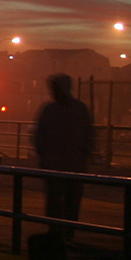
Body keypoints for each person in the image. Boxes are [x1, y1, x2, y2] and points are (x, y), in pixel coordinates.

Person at [33, 73, 95, 235]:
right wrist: (85, 153)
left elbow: (39, 136)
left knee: (56, 199)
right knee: (71, 200)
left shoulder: (50, 110)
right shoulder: (80, 109)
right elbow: (89, 134)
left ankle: (56, 229)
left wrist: (44, 155)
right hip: (73, 163)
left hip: (56, 163)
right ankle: (67, 230)